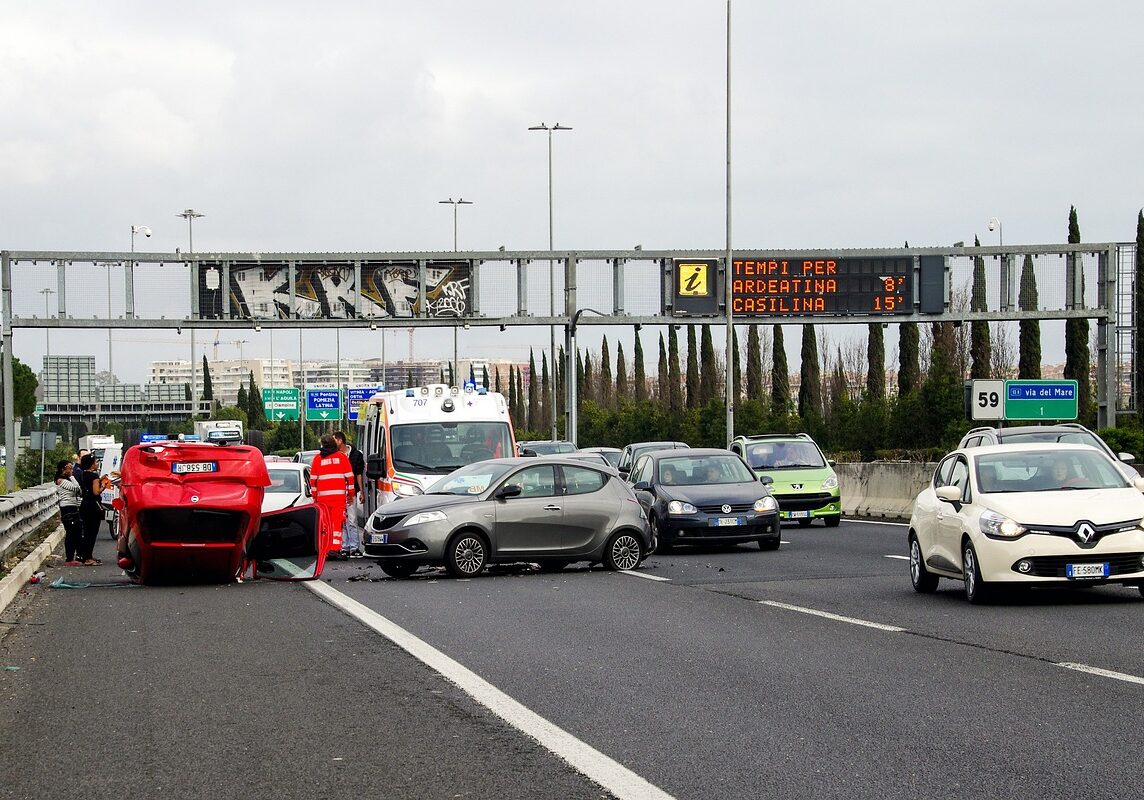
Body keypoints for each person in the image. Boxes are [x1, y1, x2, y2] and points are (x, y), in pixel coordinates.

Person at [310, 434, 354, 559]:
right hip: (338, 498)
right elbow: (350, 478)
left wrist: (315, 497)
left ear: (323, 445)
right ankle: (334, 549)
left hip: (323, 499)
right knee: (336, 524)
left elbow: (313, 481)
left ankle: (326, 548)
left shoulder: (318, 459)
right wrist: (351, 495)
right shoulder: (341, 457)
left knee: (325, 525)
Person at [333, 430, 366, 557]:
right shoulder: (335, 455)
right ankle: (345, 546)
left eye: (334, 439)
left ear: (340, 440)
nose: (333, 442)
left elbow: (358, 474)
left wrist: (361, 491)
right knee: (342, 520)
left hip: (351, 491)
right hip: (339, 492)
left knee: (352, 519)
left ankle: (354, 547)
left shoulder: (356, 455)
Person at [54, 460, 84, 566]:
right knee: (71, 533)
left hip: (73, 507)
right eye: (69, 468)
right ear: (63, 469)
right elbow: (76, 488)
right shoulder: (61, 480)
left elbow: (79, 490)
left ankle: (77, 556)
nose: (71, 470)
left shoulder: (66, 480)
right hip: (67, 509)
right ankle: (69, 558)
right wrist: (71, 476)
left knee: (76, 533)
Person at [76, 453, 103, 566]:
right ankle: (88, 558)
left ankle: (85, 555)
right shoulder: (94, 476)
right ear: (92, 465)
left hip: (84, 505)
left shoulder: (83, 474)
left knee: (86, 532)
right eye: (95, 462)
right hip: (93, 505)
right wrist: (103, 486)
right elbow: (96, 491)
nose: (96, 464)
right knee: (92, 533)